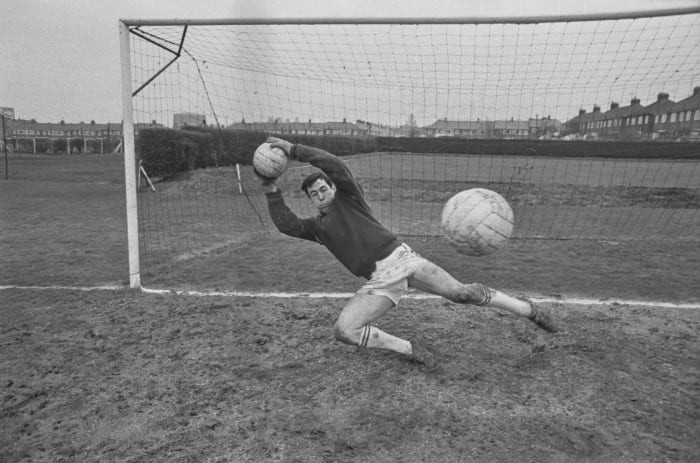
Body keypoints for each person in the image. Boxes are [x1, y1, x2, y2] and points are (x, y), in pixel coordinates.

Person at [255, 137, 558, 369]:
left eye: (324, 189)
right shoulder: (318, 228)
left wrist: (294, 150)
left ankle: (528, 310)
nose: (321, 195)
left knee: (461, 294)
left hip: (402, 259)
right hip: (378, 282)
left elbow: (335, 165)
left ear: (333, 189)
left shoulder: (350, 199)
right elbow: (288, 225)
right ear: (310, 199)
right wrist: (271, 190)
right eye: (314, 194)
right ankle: (410, 350)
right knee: (344, 331)